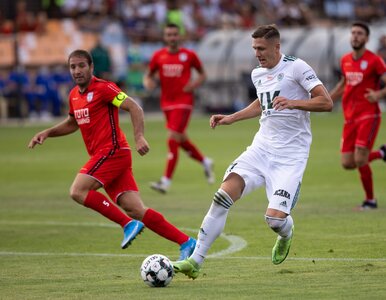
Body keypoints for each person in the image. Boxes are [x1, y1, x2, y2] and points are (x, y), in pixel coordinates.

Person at [172, 24, 333, 279]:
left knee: (274, 221)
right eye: (254, 48)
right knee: (221, 197)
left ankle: (286, 232)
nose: (257, 53)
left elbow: (326, 102)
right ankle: (195, 261)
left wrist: (293, 103)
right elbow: (262, 102)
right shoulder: (258, 73)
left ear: (277, 47)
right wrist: (231, 118)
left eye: (261, 48)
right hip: (261, 148)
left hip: (291, 156)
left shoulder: (297, 67)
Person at [28, 49, 196, 260]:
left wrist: (139, 137)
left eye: (81, 66)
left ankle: (127, 225)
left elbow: (134, 108)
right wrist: (48, 132)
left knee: (77, 191)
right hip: (108, 157)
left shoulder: (103, 88)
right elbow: (73, 123)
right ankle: (187, 242)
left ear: (91, 67)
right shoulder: (73, 95)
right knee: (135, 209)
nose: (77, 71)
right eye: (73, 67)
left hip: (113, 152)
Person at [143, 23, 214, 194]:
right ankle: (205, 162)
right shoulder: (158, 56)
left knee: (172, 138)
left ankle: (165, 181)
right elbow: (148, 75)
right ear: (165, 37)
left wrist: (194, 84)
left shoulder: (189, 55)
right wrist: (148, 83)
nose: (172, 37)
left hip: (184, 102)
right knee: (180, 139)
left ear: (180, 36)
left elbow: (203, 74)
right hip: (166, 103)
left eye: (175, 34)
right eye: (169, 34)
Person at [329, 21, 386, 210]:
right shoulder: (345, 59)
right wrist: (327, 99)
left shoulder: (375, 60)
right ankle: (381, 153)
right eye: (353, 33)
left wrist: (378, 95)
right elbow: (344, 83)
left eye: (360, 33)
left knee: (360, 159)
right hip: (349, 116)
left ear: (367, 38)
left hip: (368, 114)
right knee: (347, 163)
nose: (355, 36)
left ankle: (370, 201)